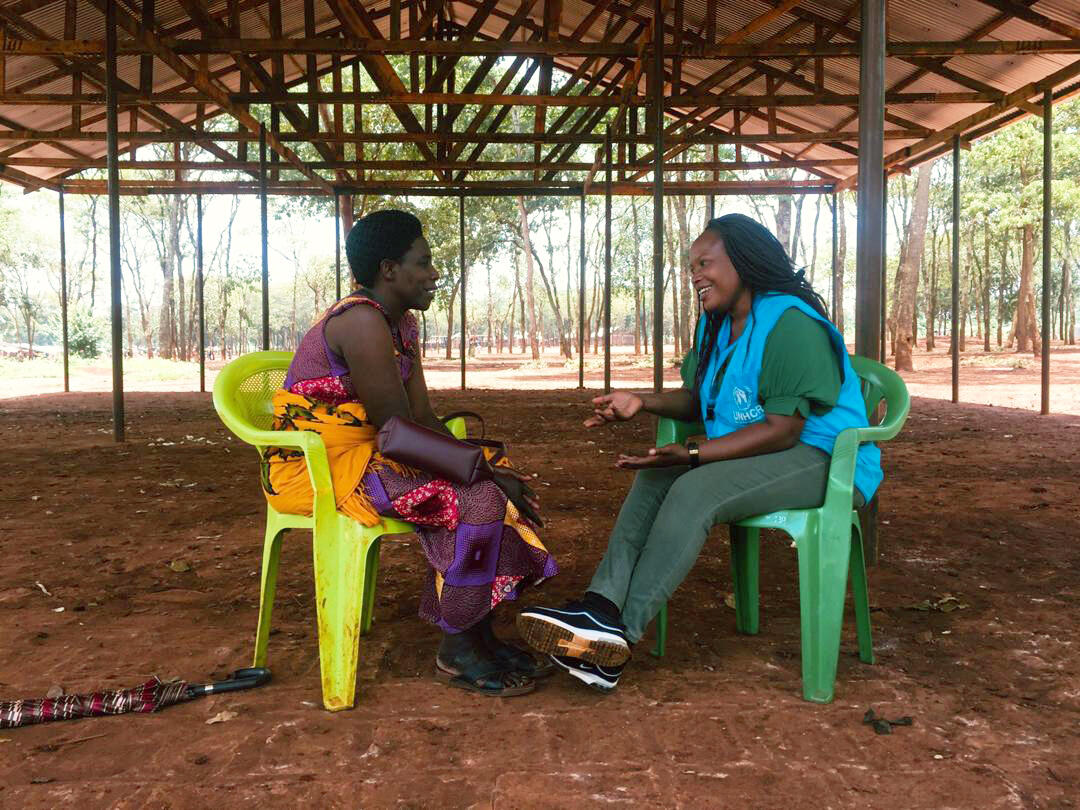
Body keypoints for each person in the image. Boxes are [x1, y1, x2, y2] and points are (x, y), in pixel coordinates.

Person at [516, 213, 882, 693]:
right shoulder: (717, 325)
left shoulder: (790, 322)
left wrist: (694, 455)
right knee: (655, 477)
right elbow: (700, 400)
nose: (695, 276)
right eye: (691, 267)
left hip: (826, 459)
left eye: (705, 263)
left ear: (744, 261)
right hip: (765, 450)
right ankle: (599, 608)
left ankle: (619, 637)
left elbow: (783, 431)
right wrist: (641, 402)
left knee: (696, 488)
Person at [263, 209, 558, 697]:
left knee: (492, 482)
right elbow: (397, 432)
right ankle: (458, 646)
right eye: (423, 262)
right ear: (389, 270)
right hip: (323, 469)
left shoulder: (401, 326)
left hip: (371, 454)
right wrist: (480, 473)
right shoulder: (361, 321)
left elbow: (421, 418)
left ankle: (478, 632)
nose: (434, 273)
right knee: (478, 497)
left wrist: (484, 464)